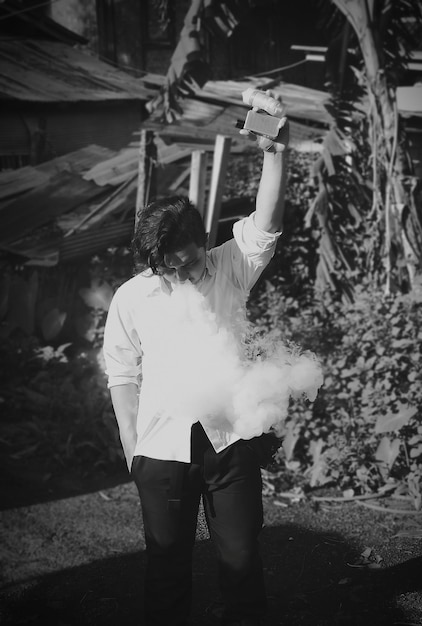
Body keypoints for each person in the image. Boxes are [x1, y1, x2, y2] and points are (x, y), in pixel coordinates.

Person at [103, 95, 289, 626]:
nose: (179, 273)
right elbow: (120, 371)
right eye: (166, 266)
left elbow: (266, 221)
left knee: (240, 560)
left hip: (230, 443)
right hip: (160, 450)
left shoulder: (230, 266)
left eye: (185, 260)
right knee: (165, 568)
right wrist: (131, 447)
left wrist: (274, 152)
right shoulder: (133, 295)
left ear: (200, 241)